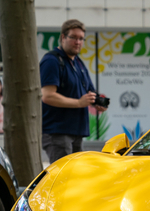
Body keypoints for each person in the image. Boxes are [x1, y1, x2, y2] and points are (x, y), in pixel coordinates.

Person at [40, 19, 107, 164]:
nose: (78, 42)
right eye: (74, 38)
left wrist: (97, 103)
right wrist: (79, 102)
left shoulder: (78, 62)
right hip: (57, 132)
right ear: (63, 37)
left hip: (77, 132)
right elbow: (47, 96)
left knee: (75, 177)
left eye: (81, 39)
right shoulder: (51, 61)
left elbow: (90, 92)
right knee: (63, 178)